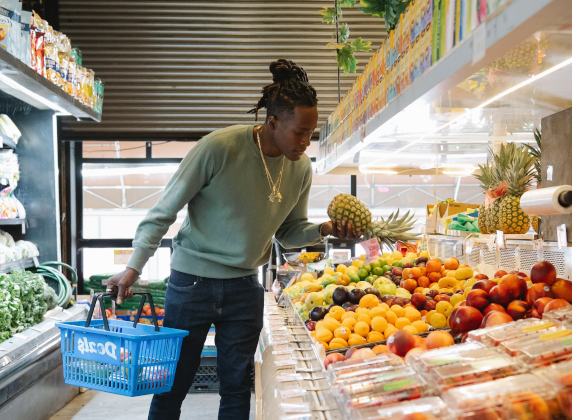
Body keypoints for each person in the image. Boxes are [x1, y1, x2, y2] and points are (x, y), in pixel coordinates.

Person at [106, 59, 360, 420]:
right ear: (272, 122)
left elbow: (289, 232)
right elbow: (162, 212)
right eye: (299, 132)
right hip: (192, 283)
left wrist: (325, 230)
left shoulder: (300, 167)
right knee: (172, 385)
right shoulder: (219, 148)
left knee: (238, 387)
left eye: (311, 133)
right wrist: (134, 267)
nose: (306, 141)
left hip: (244, 287)